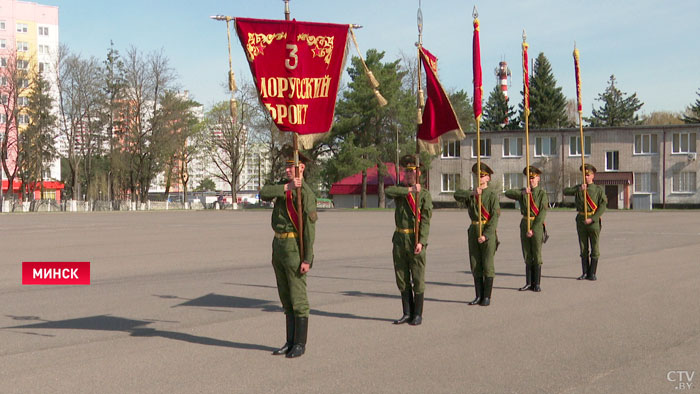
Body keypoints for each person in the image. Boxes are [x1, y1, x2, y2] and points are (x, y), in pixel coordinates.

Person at [259, 146, 317, 358]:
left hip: (294, 248)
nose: (287, 170)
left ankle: (300, 343)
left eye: (291, 167)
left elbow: (309, 230)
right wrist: (287, 187)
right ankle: (289, 341)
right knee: (285, 297)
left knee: (298, 298)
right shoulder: (283, 187)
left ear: (301, 167)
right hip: (279, 247)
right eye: (285, 166)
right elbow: (264, 192)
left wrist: (307, 258)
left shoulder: (306, 194)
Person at [385, 155, 433, 326]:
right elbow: (388, 192)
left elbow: (426, 220)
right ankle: (407, 312)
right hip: (399, 238)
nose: (409, 174)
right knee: (402, 276)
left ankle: (417, 314)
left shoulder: (424, 194)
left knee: (418, 277)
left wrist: (422, 241)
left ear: (418, 173)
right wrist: (409, 191)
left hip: (415, 239)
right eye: (406, 171)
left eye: (412, 171)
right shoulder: (401, 190)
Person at [453, 163, 500, 306]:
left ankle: (487, 297)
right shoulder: (472, 194)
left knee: (487, 264)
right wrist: (473, 193)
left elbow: (494, 217)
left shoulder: (491, 195)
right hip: (473, 230)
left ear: (488, 178)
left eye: (482, 175)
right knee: (475, 264)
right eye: (477, 175)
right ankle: (478, 296)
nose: (479, 178)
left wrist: (485, 235)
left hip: (487, 232)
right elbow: (457, 195)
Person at [505, 166, 549, 292]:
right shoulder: (524, 192)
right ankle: (529, 283)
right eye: (529, 178)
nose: (531, 180)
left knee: (536, 254)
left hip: (536, 225)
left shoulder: (541, 194)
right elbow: (508, 193)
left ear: (538, 179)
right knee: (527, 254)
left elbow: (542, 214)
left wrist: (533, 229)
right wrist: (523, 193)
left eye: (533, 178)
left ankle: (537, 283)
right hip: (525, 223)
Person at [563, 164, 607, 281]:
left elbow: (603, 205)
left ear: (593, 176)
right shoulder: (579, 188)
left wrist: (593, 218)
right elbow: (565, 191)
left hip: (593, 222)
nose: (586, 177)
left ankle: (592, 273)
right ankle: (585, 272)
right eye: (584, 175)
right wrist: (579, 189)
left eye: (588, 175)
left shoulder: (597, 190)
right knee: (583, 247)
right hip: (581, 220)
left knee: (594, 247)